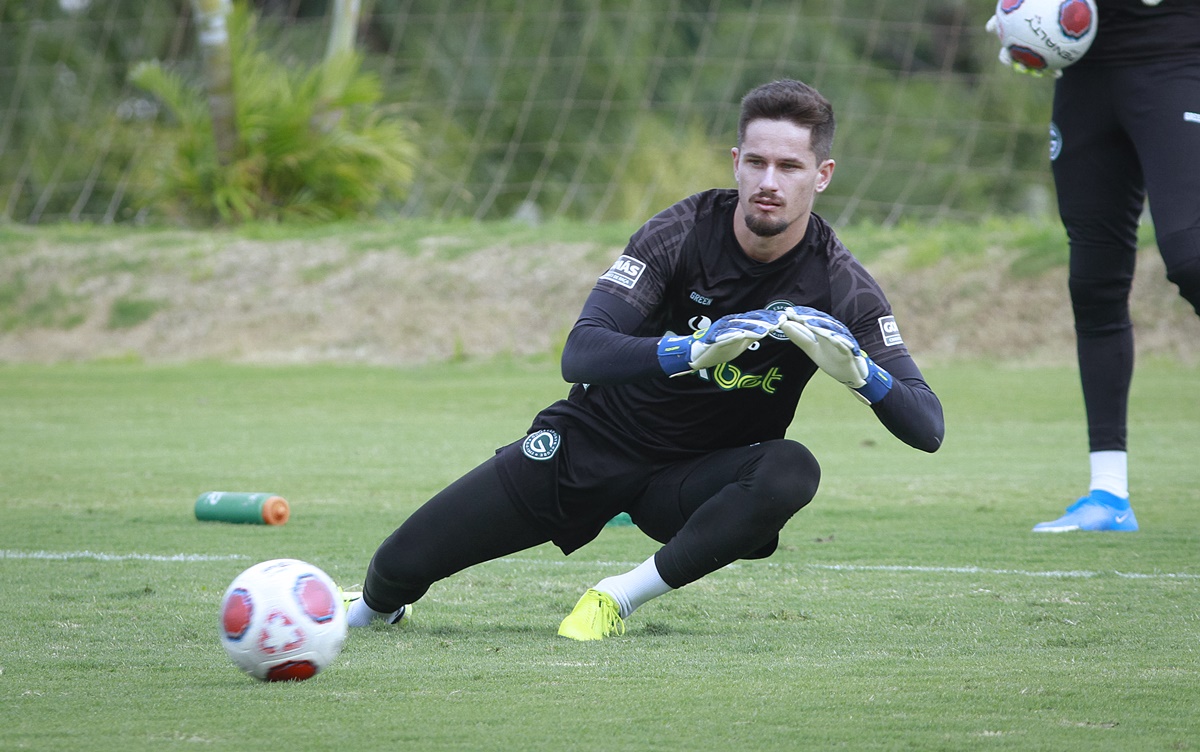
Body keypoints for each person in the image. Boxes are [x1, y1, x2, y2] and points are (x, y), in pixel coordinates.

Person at [343, 79, 944, 640]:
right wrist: (689, 351)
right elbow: (581, 352)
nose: (770, 180)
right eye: (757, 162)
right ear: (735, 161)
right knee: (396, 565)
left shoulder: (840, 285)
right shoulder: (680, 232)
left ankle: (617, 598)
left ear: (822, 175)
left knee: (792, 469)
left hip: (688, 483)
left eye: (790, 166)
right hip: (593, 444)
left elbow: (928, 426)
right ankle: (376, 611)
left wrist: (865, 377)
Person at [1000, 0, 1200, 532]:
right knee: (1093, 282)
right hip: (1083, 72)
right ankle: (1109, 496)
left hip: (1177, 60)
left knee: (1191, 255)